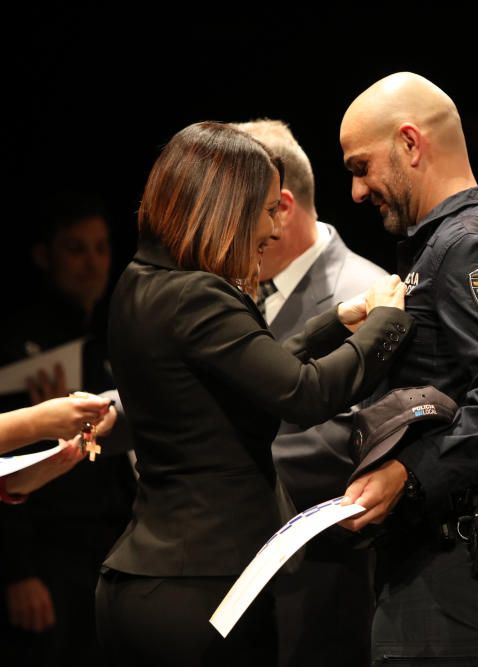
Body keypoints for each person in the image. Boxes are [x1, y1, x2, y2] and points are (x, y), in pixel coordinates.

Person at [93, 121, 412, 667]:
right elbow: (304, 395)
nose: (271, 228)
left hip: (138, 581)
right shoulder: (200, 294)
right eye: (266, 210)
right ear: (227, 207)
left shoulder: (139, 281)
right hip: (205, 592)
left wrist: (336, 321)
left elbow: (247, 368)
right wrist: (385, 322)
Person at [338, 72, 478, 665]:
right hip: (438, 554)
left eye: (361, 167)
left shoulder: (469, 247)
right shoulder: (439, 247)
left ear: (410, 144)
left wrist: (409, 473)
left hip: (460, 557)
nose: (357, 191)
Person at [232, 118, 387, 667]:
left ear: (282, 206)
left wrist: (211, 459)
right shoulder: (226, 289)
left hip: (320, 581)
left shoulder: (368, 298)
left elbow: (366, 438)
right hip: (231, 579)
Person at [0, 195, 135, 667]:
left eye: (101, 248)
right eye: (76, 248)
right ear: (45, 255)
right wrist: (17, 571)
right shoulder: (19, 345)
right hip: (47, 550)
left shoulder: (109, 337)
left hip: (108, 545)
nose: (92, 262)